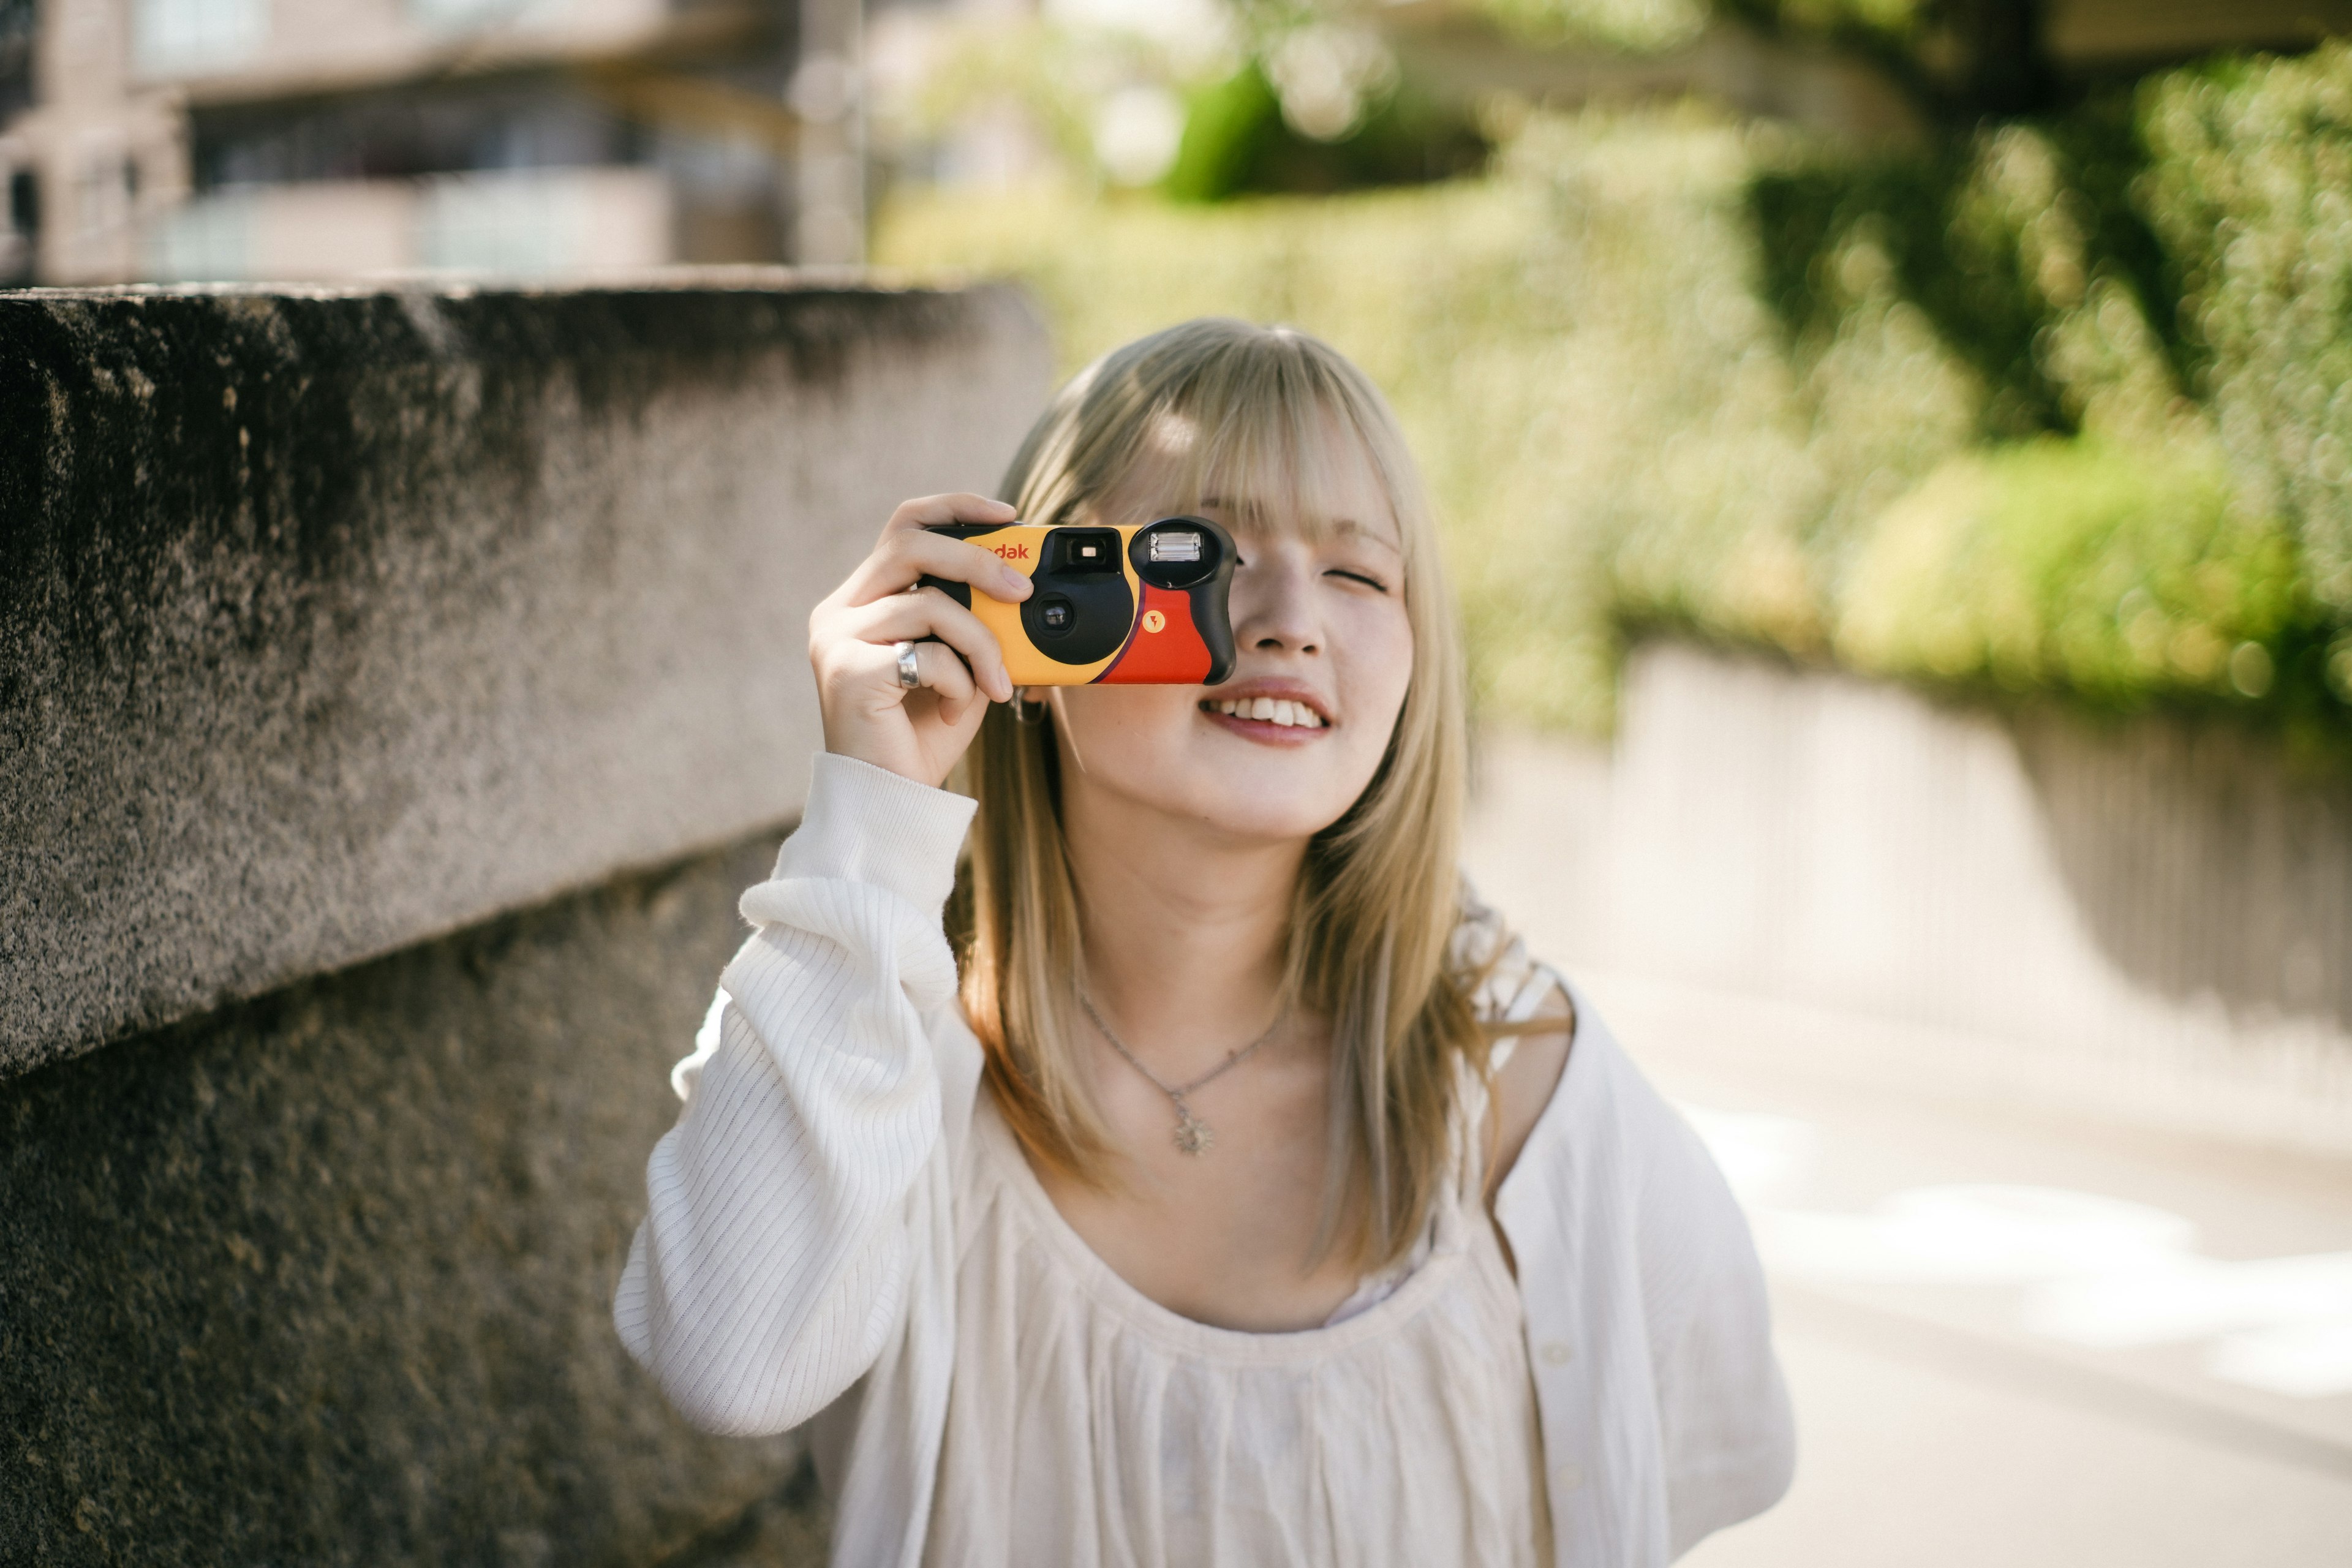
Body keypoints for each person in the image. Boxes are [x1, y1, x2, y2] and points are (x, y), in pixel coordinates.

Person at [614, 318, 1793, 1567]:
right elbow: (729, 1366)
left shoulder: (1526, 1084)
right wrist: (871, 812)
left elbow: (1699, 1462)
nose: (1289, 619)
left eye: (1360, 574)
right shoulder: (874, 1029)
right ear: (1036, 597)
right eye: (1203, 552)